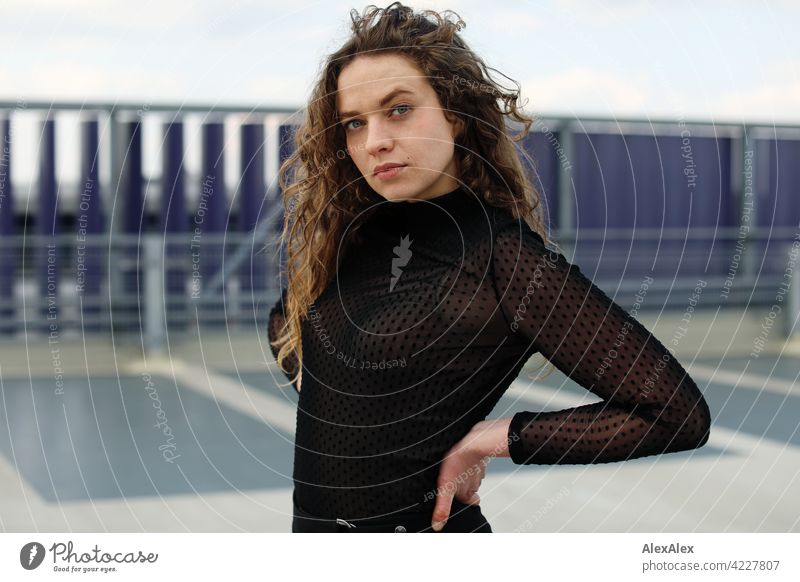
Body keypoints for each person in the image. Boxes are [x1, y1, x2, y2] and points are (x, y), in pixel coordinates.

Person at [267, 2, 711, 533]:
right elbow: (287, 326)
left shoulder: (502, 256)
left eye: (399, 109)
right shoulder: (357, 236)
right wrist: (345, 401)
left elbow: (674, 413)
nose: (374, 140)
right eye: (354, 123)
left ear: (455, 111)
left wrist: (494, 437)